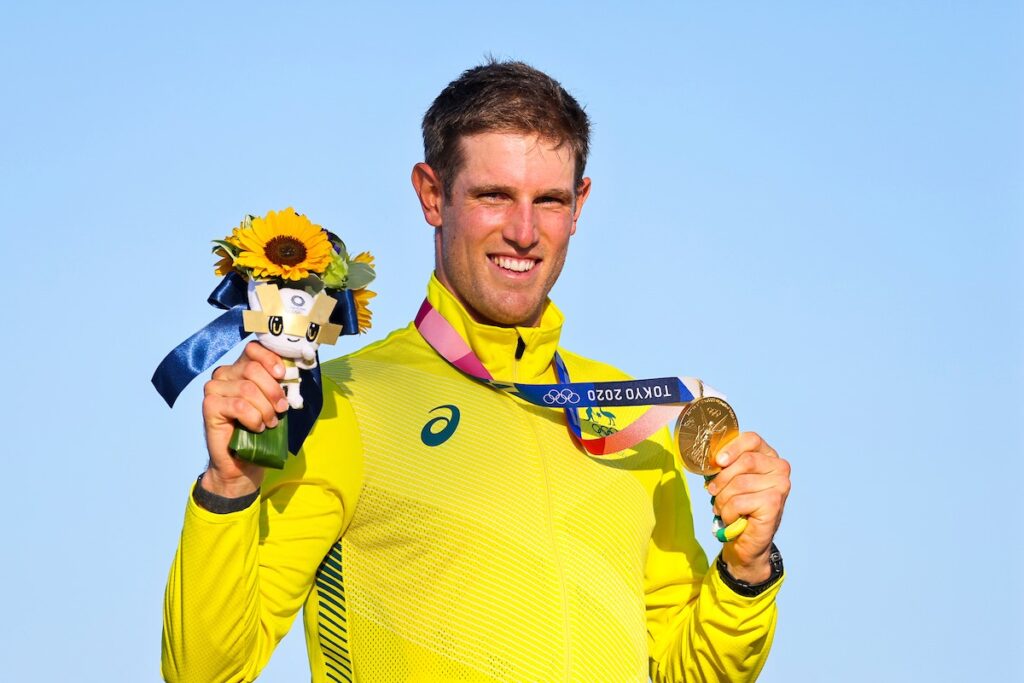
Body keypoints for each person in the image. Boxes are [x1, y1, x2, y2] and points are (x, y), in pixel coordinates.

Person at [162, 60, 792, 683]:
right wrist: (228, 488)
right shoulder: (342, 404)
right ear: (432, 195)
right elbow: (205, 671)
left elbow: (685, 670)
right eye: (493, 196)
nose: (523, 231)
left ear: (581, 204)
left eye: (549, 200)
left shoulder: (633, 417)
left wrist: (745, 567)